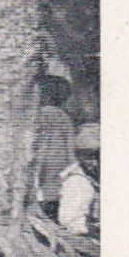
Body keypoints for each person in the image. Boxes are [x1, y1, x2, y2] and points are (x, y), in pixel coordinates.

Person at [33, 70, 78, 219]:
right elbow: (70, 144)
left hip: (47, 161)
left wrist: (37, 166)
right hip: (62, 162)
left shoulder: (44, 113)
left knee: (44, 197)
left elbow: (43, 142)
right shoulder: (64, 115)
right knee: (55, 197)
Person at [58, 122, 101, 237]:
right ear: (79, 156)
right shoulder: (78, 181)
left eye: (98, 156)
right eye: (89, 157)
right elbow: (71, 222)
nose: (95, 163)